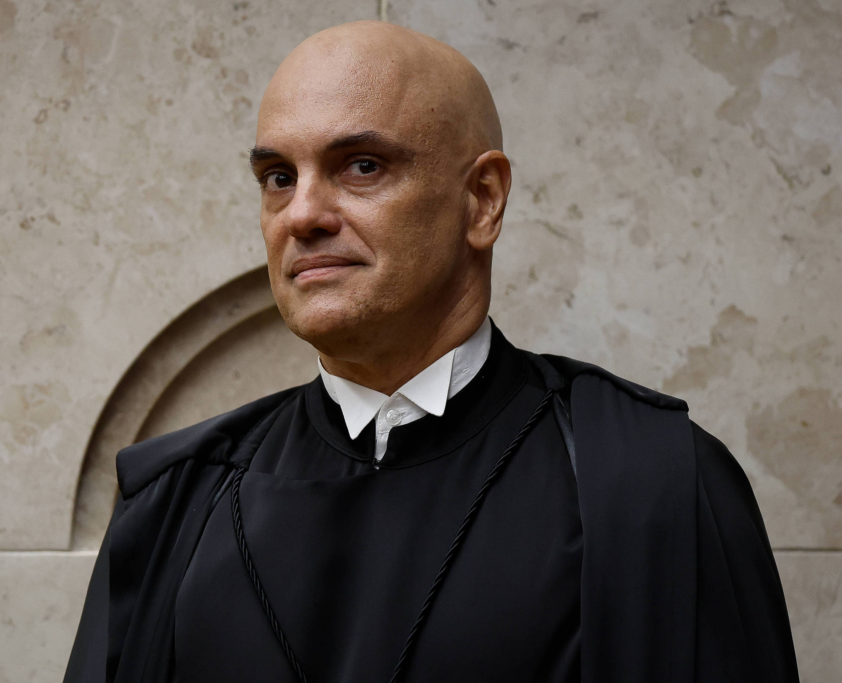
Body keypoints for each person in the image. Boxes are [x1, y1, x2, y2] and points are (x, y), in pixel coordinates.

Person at [65, 20, 799, 683]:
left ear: (483, 199)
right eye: (279, 178)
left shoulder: (653, 482)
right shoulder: (174, 501)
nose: (303, 215)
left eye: (361, 166)